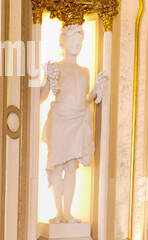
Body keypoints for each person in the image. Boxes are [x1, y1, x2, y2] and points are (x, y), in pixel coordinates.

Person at [42, 24, 106, 224]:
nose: (77, 45)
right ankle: (58, 213)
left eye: (80, 41)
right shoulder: (56, 68)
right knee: (57, 166)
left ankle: (67, 213)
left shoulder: (85, 71)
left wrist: (96, 90)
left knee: (71, 167)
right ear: (63, 42)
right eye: (73, 40)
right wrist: (47, 80)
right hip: (60, 119)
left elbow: (83, 99)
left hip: (77, 120)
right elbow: (41, 97)